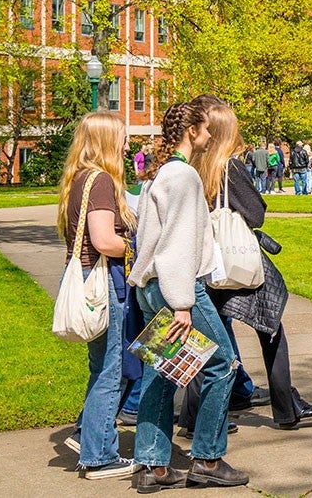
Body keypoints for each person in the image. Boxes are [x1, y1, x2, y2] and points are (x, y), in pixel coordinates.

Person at [182, 95, 312, 430]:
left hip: (206, 263)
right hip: (234, 261)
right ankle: (286, 407)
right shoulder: (228, 167)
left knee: (203, 337)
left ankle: (196, 413)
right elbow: (256, 212)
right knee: (271, 326)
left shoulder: (193, 166)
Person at [128, 100, 249, 491]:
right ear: (192, 131)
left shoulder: (160, 175)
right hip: (175, 289)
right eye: (206, 129)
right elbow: (177, 244)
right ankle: (208, 459)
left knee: (160, 373)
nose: (211, 136)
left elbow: (149, 239)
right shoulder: (183, 178)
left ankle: (152, 465)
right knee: (222, 364)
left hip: (150, 286)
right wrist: (182, 303)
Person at [57, 112, 139, 480]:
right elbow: (104, 240)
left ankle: (91, 443)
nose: (128, 145)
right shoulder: (102, 180)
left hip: (89, 278)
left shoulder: (79, 179)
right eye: (123, 137)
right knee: (111, 370)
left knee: (101, 369)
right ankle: (100, 455)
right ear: (107, 141)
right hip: (103, 282)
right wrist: (137, 250)